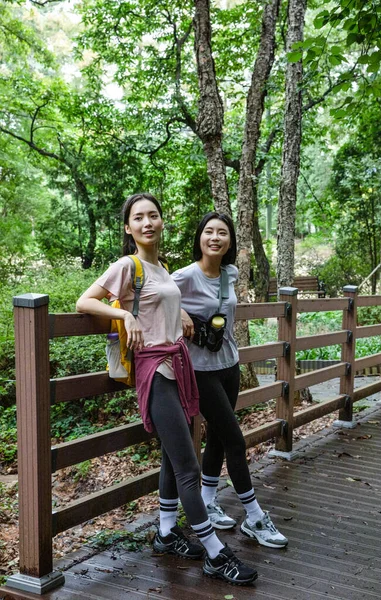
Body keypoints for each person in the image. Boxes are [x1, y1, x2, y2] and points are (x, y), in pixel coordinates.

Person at [76, 194, 257, 585]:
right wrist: (124, 312)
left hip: (179, 367)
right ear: (128, 228)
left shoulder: (162, 268)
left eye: (153, 216)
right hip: (155, 372)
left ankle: (166, 532)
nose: (147, 223)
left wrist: (184, 319)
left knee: (171, 458)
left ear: (162, 222)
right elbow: (84, 301)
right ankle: (215, 554)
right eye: (138, 218)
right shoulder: (129, 265)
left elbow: (166, 308)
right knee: (189, 466)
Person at [172, 212, 288, 549]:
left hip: (229, 365)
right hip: (200, 371)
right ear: (199, 238)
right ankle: (254, 517)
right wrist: (178, 311)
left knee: (221, 440)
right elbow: (153, 294)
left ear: (230, 241)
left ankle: (207, 501)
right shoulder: (185, 276)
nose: (215, 237)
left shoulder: (230, 274)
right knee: (237, 441)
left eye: (222, 233)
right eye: (208, 231)